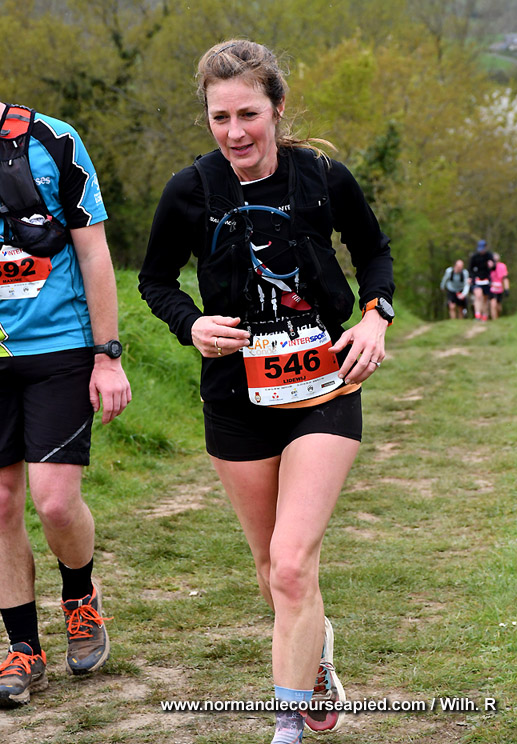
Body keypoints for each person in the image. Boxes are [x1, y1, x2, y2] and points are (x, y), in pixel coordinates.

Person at [139, 39, 394, 743]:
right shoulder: (190, 190)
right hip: (235, 396)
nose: (235, 132)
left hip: (324, 384)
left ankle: (286, 725)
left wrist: (375, 316)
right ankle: (313, 660)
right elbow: (155, 280)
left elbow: (374, 251)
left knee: (290, 563)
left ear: (277, 108)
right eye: (220, 117)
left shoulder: (322, 177)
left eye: (248, 114)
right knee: (270, 567)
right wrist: (190, 324)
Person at [0, 102, 131, 708]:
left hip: (60, 347)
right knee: (1, 503)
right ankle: (23, 649)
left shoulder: (51, 139)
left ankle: (80, 597)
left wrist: (108, 355)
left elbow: (94, 252)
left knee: (54, 502)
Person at [468, 239, 494, 321]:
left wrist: (492, 265)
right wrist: (471, 277)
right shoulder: (474, 257)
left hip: (486, 280)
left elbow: (494, 268)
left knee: (485, 298)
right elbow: (470, 269)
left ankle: (485, 315)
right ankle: (477, 315)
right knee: (478, 296)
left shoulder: (489, 256)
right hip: (477, 279)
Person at [489, 252, 510, 320]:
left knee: (498, 307)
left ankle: (497, 318)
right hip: (491, 288)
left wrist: (507, 289)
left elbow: (505, 278)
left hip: (499, 289)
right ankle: (494, 319)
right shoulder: (489, 266)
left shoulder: (502, 266)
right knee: (493, 304)